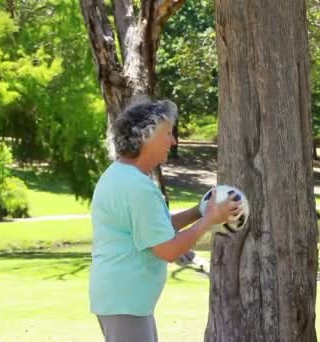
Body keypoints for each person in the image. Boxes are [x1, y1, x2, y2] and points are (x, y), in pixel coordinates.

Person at [89, 100, 240, 342]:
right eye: (167, 133)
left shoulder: (120, 175)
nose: (173, 141)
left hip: (121, 299)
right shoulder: (137, 187)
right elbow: (167, 250)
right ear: (146, 135)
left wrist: (197, 212)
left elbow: (155, 229)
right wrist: (210, 220)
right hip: (125, 301)